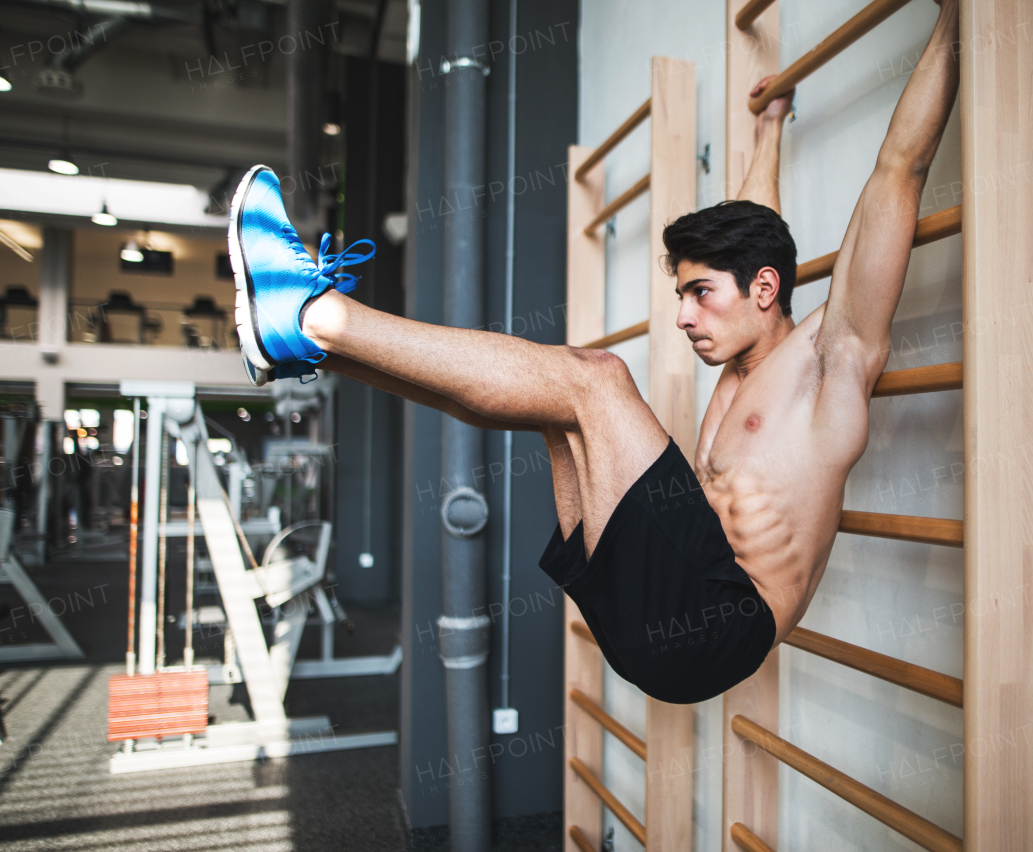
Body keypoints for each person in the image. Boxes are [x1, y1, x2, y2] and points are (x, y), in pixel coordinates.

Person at [227, 0, 959, 704]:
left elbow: (900, 168)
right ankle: (310, 349)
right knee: (555, 406)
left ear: (764, 290)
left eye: (700, 293)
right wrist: (770, 127)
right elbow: (757, 230)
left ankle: (316, 316)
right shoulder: (743, 370)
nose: (681, 316)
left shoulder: (833, 359)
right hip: (648, 611)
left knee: (597, 378)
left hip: (714, 626)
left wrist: (956, 24)